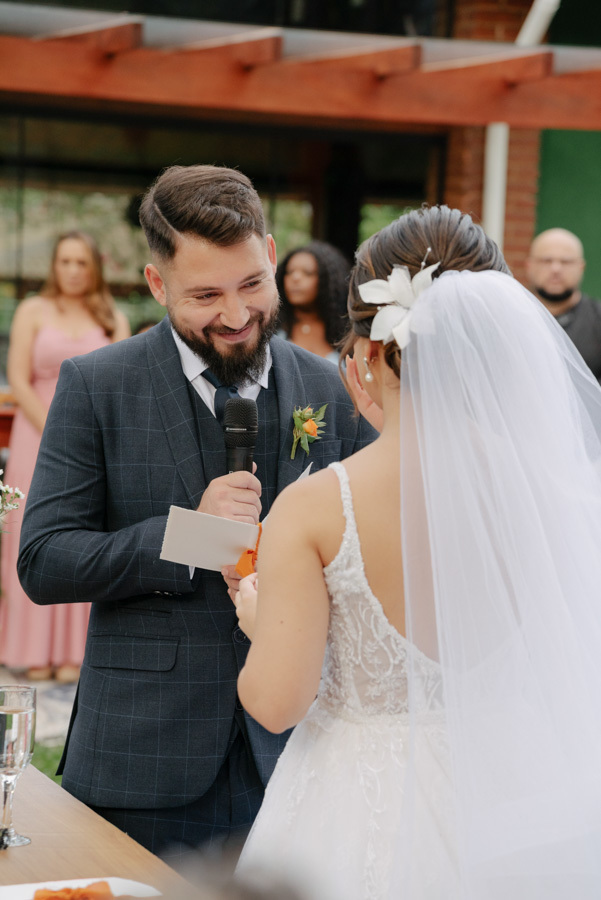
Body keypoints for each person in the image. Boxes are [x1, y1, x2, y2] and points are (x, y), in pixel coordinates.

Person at [234, 206, 601, 899]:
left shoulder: (317, 507)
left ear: (367, 351)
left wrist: (259, 623)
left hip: (350, 814)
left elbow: (277, 703)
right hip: (510, 809)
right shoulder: (557, 490)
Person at [17, 165, 376, 860]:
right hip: (142, 761)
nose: (237, 316)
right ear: (157, 285)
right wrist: (189, 535)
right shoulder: (98, 384)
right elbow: (44, 560)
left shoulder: (329, 389)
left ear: (271, 256)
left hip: (301, 762)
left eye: (250, 285)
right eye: (206, 295)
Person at [0, 230, 130, 683]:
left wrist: (84, 434)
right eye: (65, 262)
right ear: (54, 266)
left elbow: (122, 381)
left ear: (94, 266)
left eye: (81, 262)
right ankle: (30, 651)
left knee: (84, 533)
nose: (73, 270)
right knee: (30, 533)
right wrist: (56, 429)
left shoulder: (112, 315)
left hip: (93, 440)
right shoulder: (32, 310)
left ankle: (75, 652)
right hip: (35, 434)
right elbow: (16, 375)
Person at [526, 226, 601, 381]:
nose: (556, 268)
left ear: (581, 267)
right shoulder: (510, 318)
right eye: (546, 260)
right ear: (529, 265)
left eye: (566, 261)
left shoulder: (597, 319)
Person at [275, 241, 350, 362]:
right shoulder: (272, 327)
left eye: (307, 273)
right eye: (289, 272)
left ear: (327, 281)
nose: (295, 278)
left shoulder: (347, 333)